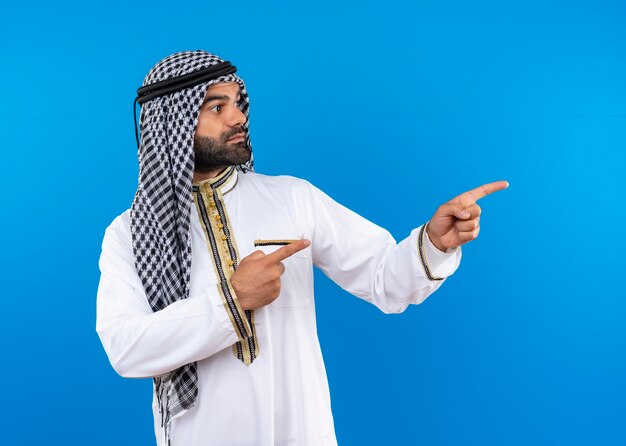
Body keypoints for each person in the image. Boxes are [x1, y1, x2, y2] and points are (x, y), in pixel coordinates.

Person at [95, 50, 508, 446]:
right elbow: (126, 347)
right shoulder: (129, 234)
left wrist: (435, 243)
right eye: (217, 108)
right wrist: (231, 300)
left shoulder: (293, 198)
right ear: (172, 123)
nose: (239, 117)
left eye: (238, 102)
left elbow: (385, 278)